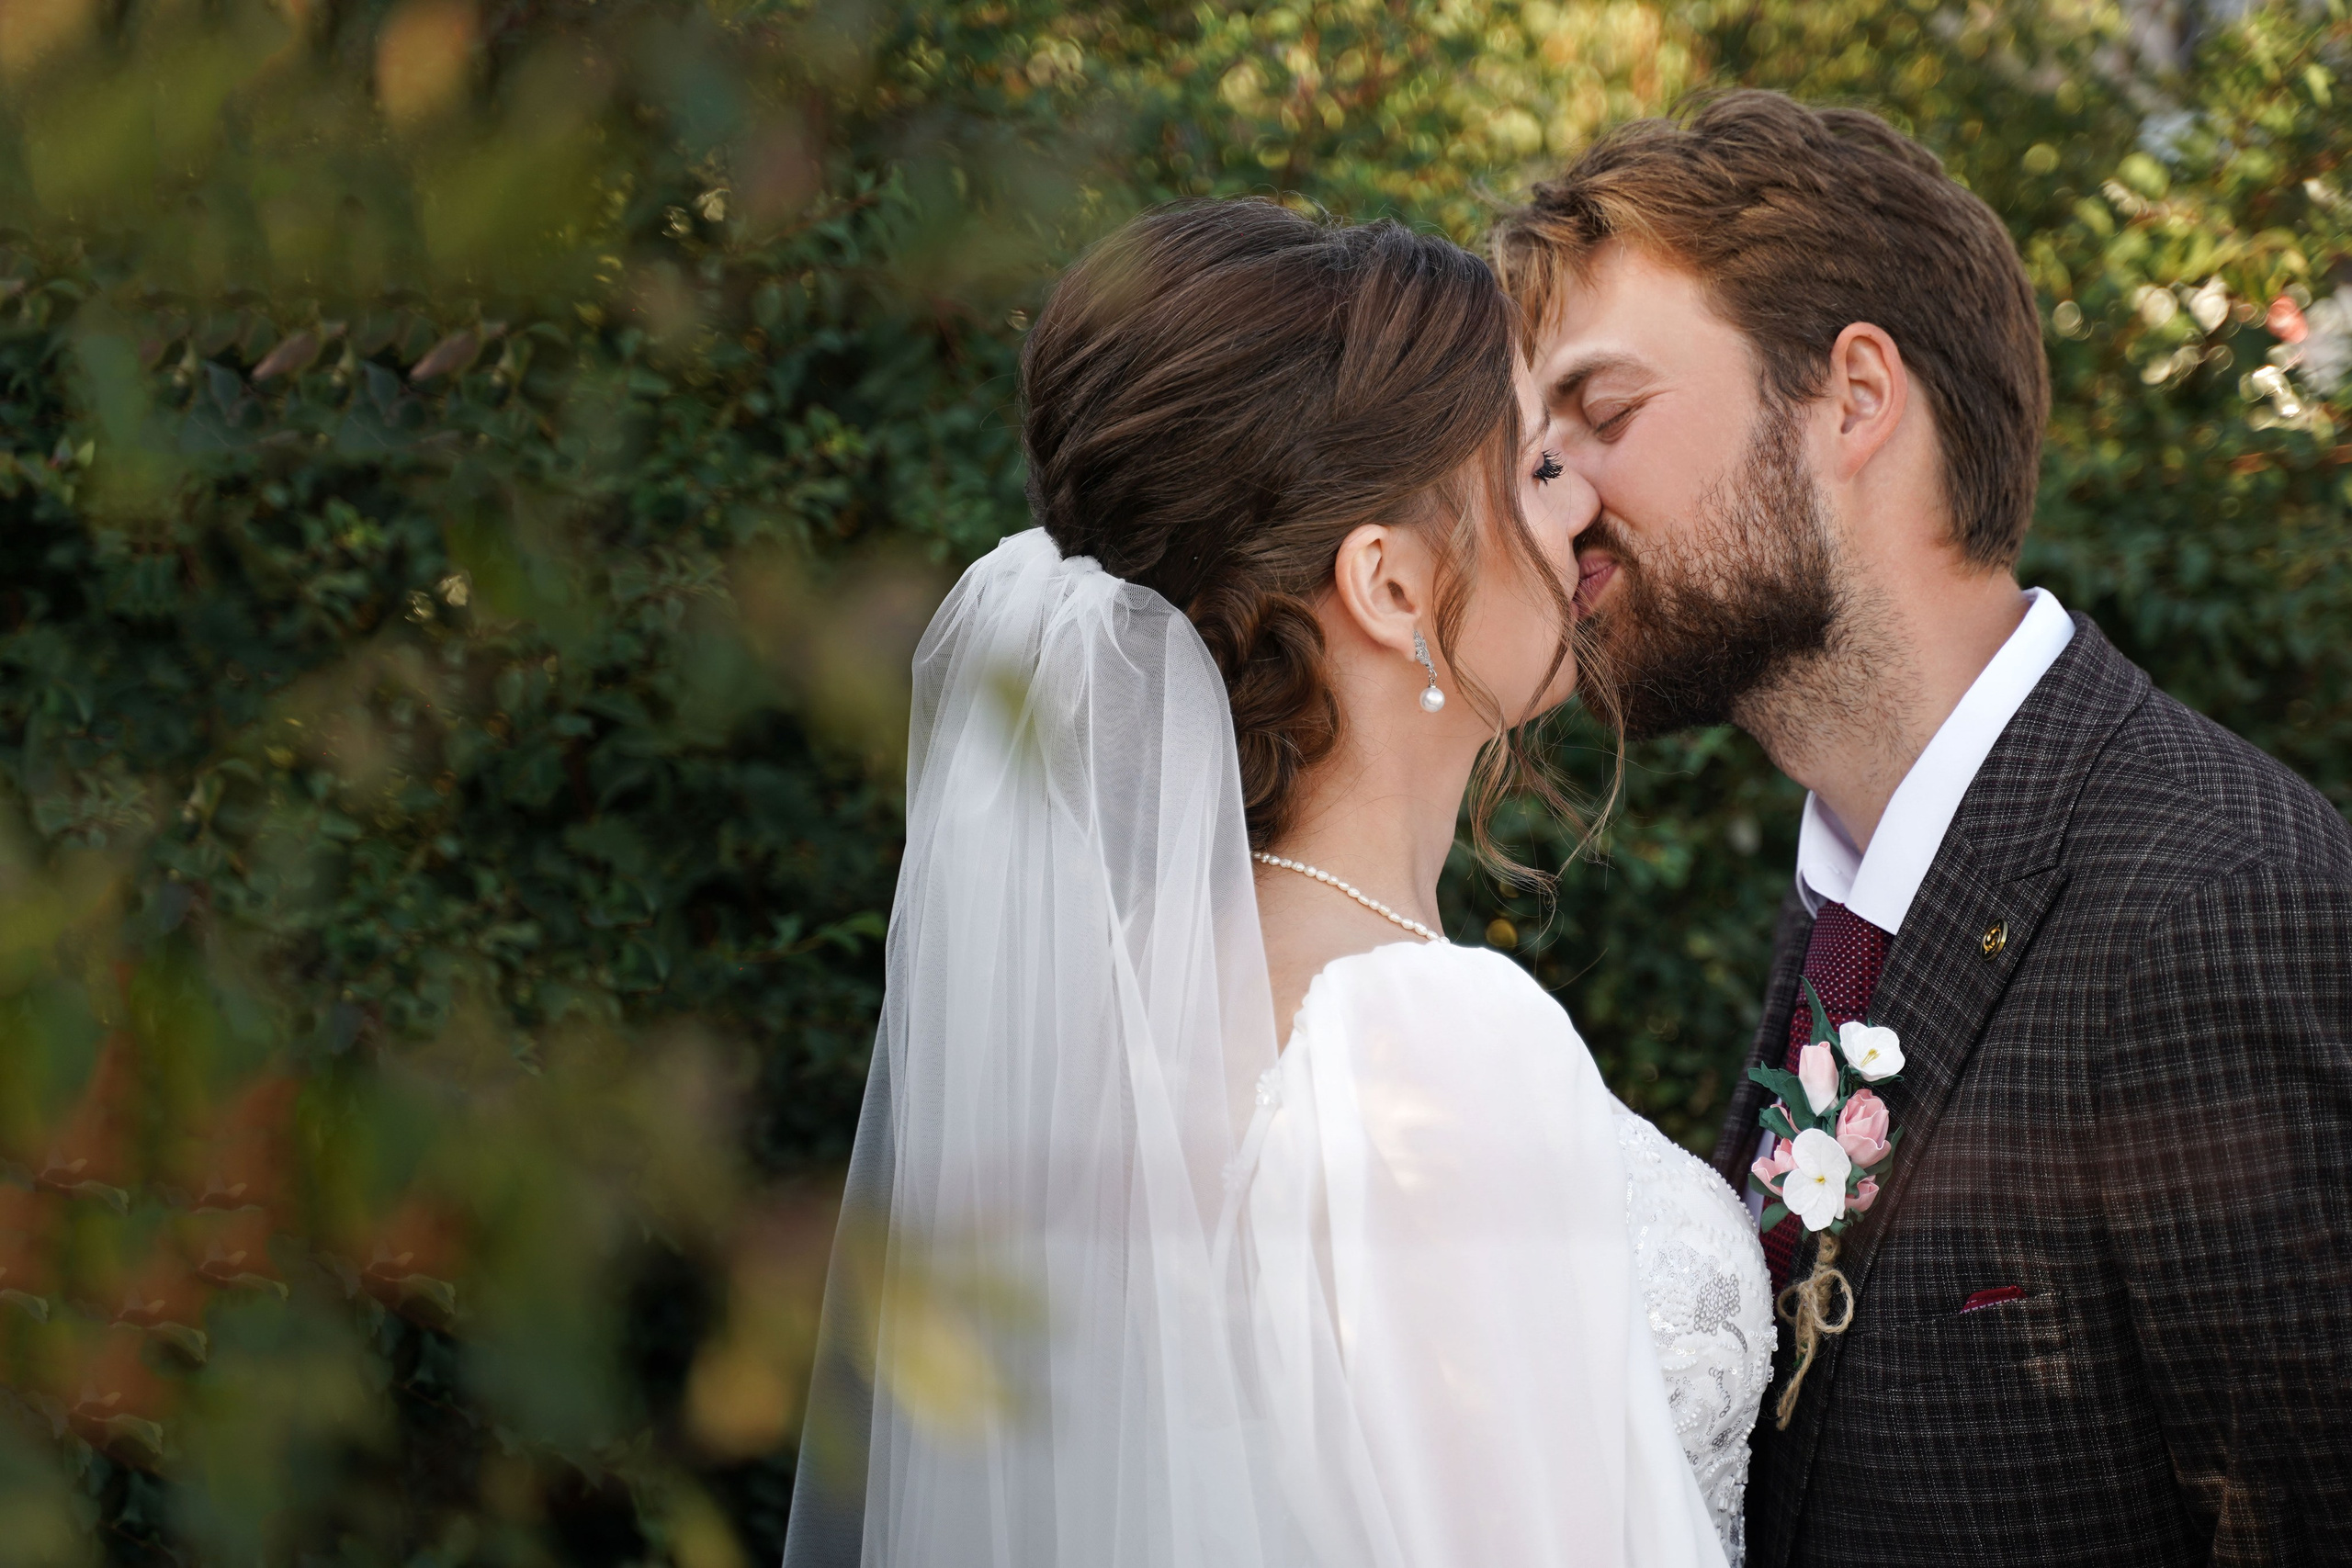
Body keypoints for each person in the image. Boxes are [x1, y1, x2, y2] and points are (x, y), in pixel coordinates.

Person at [781, 197, 1770, 1568]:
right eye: (1540, 468)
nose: (1590, 498)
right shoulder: (1427, 1048)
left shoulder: (1105, 1030)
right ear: (1390, 585)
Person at [1496, 89, 2352, 1568]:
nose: (1551, 502)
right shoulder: (1843, 910)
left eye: (1604, 415)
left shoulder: (2220, 895)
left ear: (1854, 400)